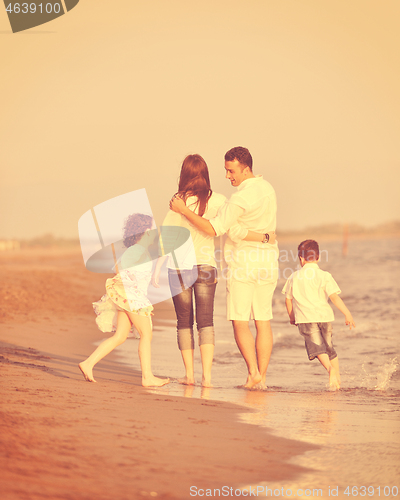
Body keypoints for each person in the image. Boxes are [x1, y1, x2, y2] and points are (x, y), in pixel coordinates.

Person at [170, 147, 278, 389]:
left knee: (240, 320)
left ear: (245, 167)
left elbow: (215, 228)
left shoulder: (239, 198)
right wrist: (264, 238)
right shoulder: (268, 189)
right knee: (263, 319)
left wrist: (184, 210)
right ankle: (261, 378)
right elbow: (253, 231)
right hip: (269, 260)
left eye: (231, 171)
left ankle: (253, 372)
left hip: (244, 264)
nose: (228, 176)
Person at [152, 154, 228, 387]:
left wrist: (156, 271)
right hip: (206, 266)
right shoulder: (219, 200)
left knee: (184, 322)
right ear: (206, 174)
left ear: (183, 174)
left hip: (178, 267)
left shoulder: (177, 204)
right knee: (206, 321)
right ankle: (207, 377)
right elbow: (223, 231)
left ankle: (190, 376)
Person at [79, 213, 170, 387]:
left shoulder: (137, 250)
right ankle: (147, 377)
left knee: (120, 336)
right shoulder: (137, 250)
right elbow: (122, 272)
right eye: (152, 228)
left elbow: (118, 269)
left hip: (129, 297)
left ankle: (88, 363)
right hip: (133, 298)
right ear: (144, 231)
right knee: (146, 334)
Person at [282, 239, 355, 390]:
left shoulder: (294, 276)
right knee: (329, 348)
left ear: (301, 258)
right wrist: (347, 313)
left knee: (317, 348)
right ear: (318, 257)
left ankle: (330, 370)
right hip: (325, 317)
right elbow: (334, 297)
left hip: (306, 319)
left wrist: (291, 316)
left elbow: (288, 300)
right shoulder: (325, 275)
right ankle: (337, 380)